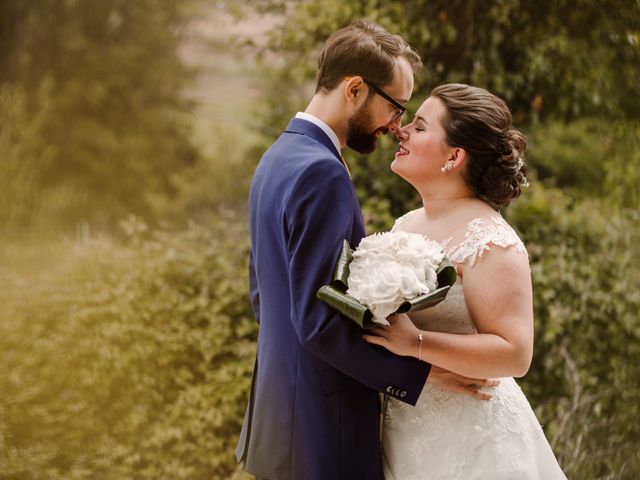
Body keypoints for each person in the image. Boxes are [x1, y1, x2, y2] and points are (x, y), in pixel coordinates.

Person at [236, 23, 497, 480]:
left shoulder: (277, 156)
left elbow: (263, 296)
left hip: (280, 422)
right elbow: (318, 324)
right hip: (323, 430)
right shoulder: (323, 172)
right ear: (355, 88)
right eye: (396, 106)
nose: (397, 125)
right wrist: (425, 374)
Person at [362, 83, 567, 479]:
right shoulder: (407, 224)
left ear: (454, 156)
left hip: (472, 440)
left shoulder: (490, 240)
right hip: (407, 430)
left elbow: (514, 353)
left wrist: (416, 344)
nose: (401, 131)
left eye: (420, 127)